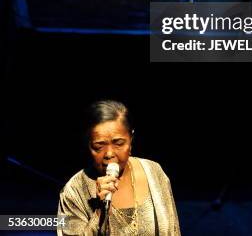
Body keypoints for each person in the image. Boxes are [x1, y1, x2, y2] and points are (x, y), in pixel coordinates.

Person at [57, 100, 181, 235]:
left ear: (131, 139)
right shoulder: (74, 191)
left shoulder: (154, 172)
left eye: (119, 143)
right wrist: (99, 211)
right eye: (99, 146)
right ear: (88, 146)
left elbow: (174, 230)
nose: (109, 154)